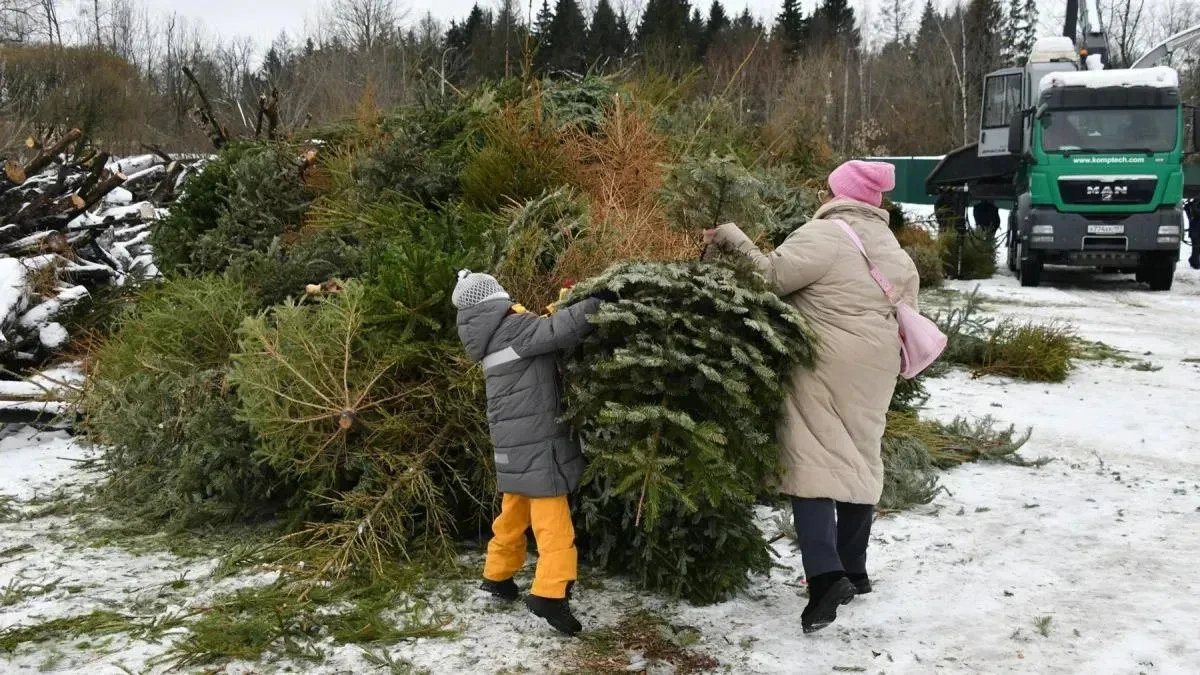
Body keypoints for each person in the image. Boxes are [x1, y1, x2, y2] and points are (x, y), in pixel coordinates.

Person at [702, 160, 920, 634]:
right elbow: (909, 308)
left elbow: (771, 278)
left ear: (837, 193)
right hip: (878, 363)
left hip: (827, 360)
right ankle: (855, 570)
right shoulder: (892, 247)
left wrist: (732, 237)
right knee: (862, 455)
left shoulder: (826, 234)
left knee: (813, 457)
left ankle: (825, 578)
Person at [452, 270, 607, 636]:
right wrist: (598, 301)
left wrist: (564, 301)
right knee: (553, 524)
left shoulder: (489, 335)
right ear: (497, 297)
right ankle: (550, 595)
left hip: (511, 443)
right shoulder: (513, 329)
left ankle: (497, 575)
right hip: (538, 441)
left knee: (513, 512)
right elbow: (558, 330)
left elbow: (541, 324)